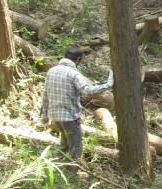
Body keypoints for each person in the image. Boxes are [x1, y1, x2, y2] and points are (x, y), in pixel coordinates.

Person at [40, 46, 114, 174]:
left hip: (55, 116)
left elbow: (45, 94)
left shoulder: (51, 71)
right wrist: (108, 85)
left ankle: (55, 171)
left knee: (64, 146)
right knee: (76, 149)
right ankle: (71, 175)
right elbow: (88, 90)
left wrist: (45, 116)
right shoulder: (73, 74)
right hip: (70, 117)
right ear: (78, 59)